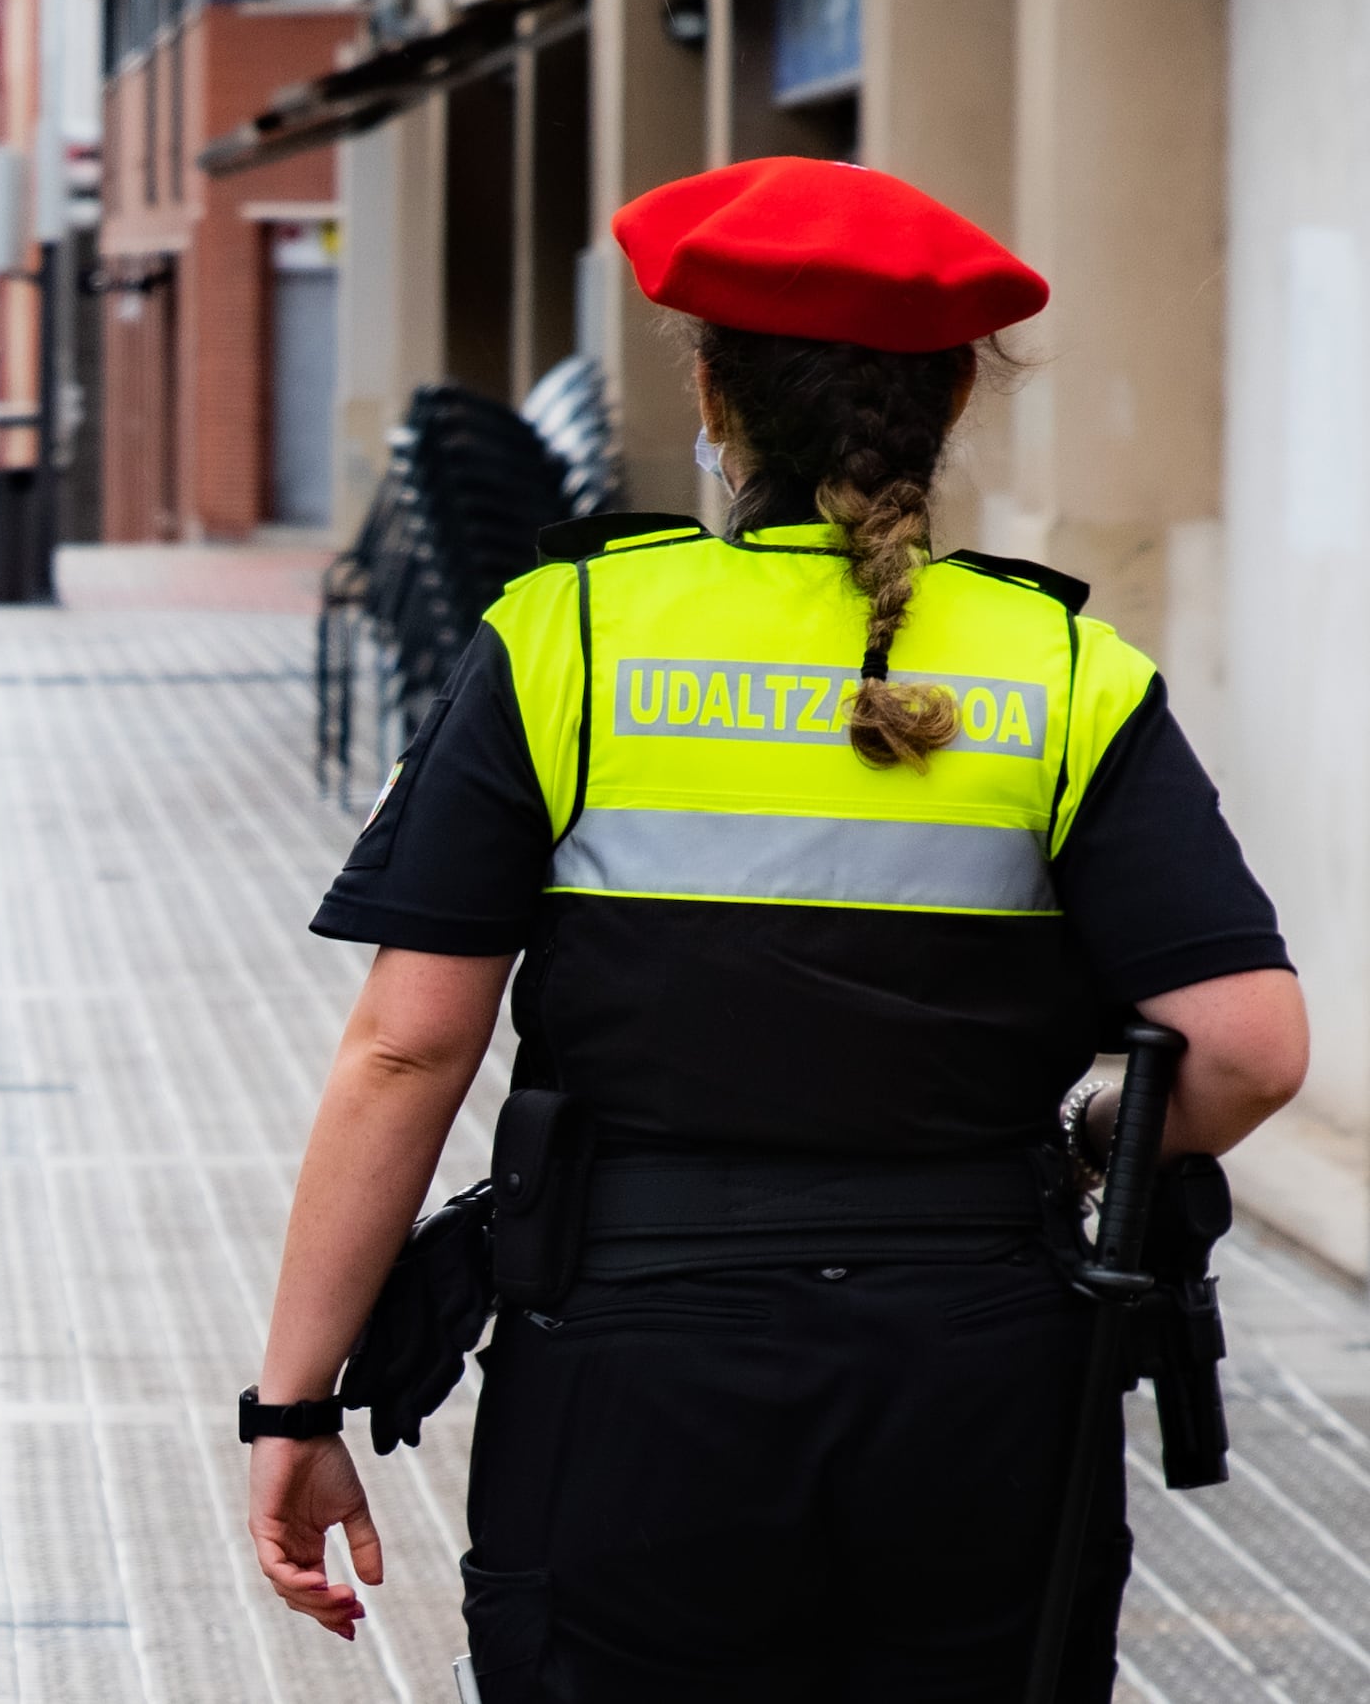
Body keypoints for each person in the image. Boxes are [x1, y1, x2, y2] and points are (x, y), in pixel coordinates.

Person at [242, 157, 1311, 1697]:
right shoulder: (1064, 666)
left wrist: (295, 1408)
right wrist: (1083, 1142)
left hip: (636, 1369)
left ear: (712, 395)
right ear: (948, 409)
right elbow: (1251, 1050)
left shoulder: (572, 638)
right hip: (984, 1372)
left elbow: (407, 1049)